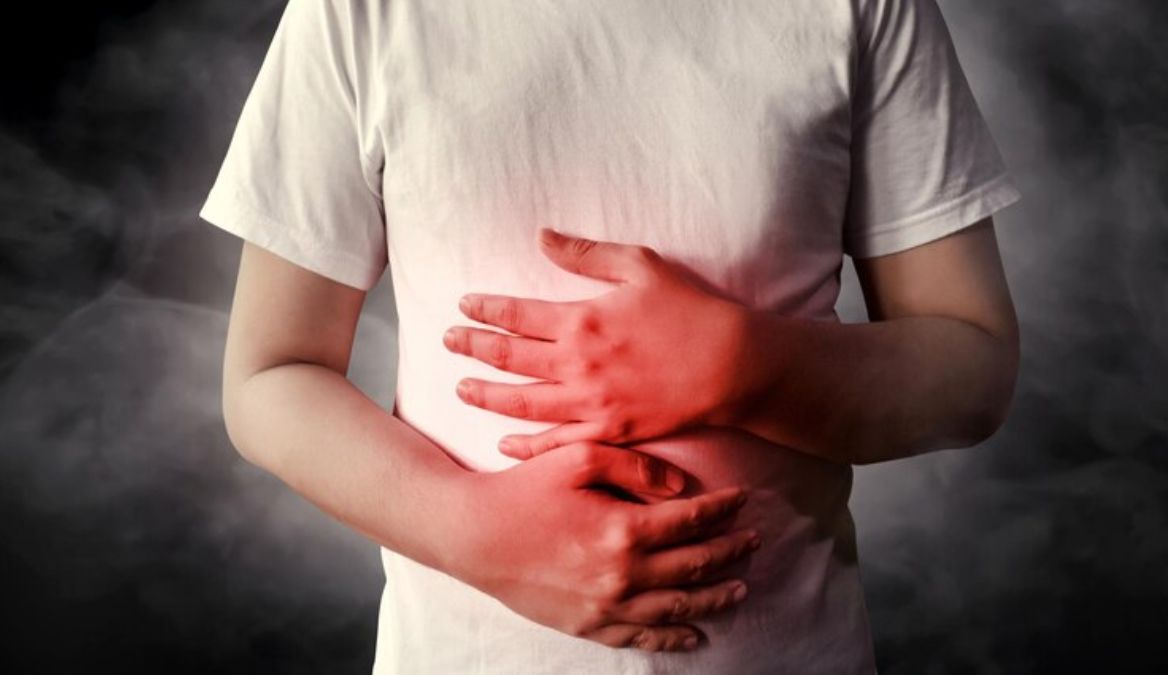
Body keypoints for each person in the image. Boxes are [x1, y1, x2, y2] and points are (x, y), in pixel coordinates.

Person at [199, 0, 1021, 672]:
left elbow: (974, 366)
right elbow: (271, 374)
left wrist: (745, 367)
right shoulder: (359, 10)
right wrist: (469, 529)